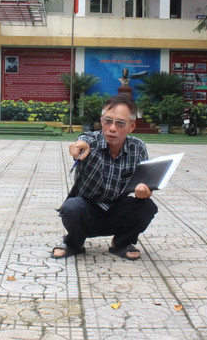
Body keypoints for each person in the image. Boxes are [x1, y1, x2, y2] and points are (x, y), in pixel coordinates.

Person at [51, 95, 157, 261]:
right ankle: (73, 243)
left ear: (132, 126)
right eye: (107, 121)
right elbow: (82, 142)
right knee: (72, 206)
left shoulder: (138, 147)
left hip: (117, 211)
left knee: (147, 207)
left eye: (120, 123)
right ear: (101, 121)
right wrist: (78, 147)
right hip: (87, 210)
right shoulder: (90, 141)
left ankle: (122, 243)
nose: (112, 128)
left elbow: (144, 181)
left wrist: (144, 190)